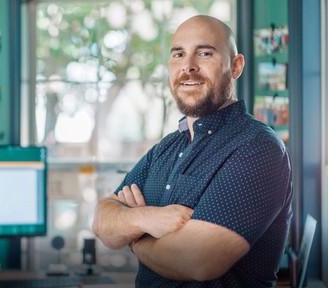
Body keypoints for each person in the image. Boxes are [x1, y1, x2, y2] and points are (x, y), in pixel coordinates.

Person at [92, 15, 292, 287]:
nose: (188, 67)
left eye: (205, 53)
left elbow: (197, 261)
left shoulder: (258, 148)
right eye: (178, 54)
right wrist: (146, 217)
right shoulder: (166, 148)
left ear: (235, 66)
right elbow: (103, 223)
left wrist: (135, 235)